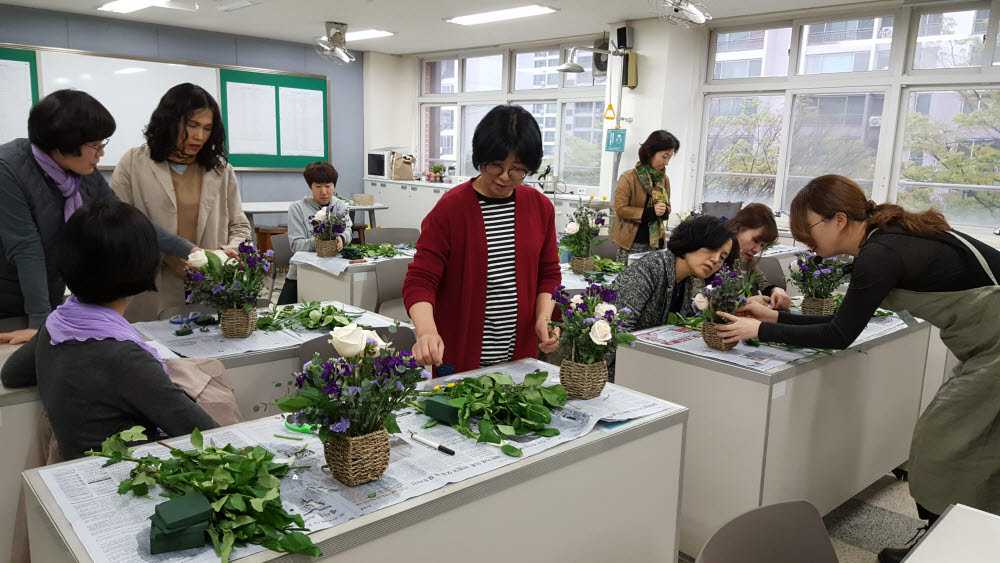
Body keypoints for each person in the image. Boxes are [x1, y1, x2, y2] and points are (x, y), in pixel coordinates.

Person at [714, 175, 1000, 563]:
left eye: (807, 229)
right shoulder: (887, 237)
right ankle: (955, 540)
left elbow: (838, 334)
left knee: (941, 446)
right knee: (980, 446)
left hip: (995, 351)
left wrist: (760, 328)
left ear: (839, 220)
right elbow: (842, 323)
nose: (803, 241)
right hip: (986, 347)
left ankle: (943, 547)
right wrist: (773, 317)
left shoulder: (879, 254)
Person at [1, 202, 218, 460]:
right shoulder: (123, 357)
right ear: (140, 265)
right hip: (129, 479)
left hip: (74, 466)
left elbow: (12, 373)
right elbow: (205, 435)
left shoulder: (57, 325)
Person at [0, 89, 195, 345]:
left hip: (47, 295)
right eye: (95, 145)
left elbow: (126, 218)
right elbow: (26, 248)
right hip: (8, 300)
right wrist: (40, 323)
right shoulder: (8, 169)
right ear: (64, 143)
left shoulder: (82, 173)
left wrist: (192, 251)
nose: (101, 154)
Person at [403, 104, 561, 373]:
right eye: (495, 165)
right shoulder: (451, 208)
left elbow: (549, 274)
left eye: (517, 169)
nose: (503, 177)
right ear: (480, 157)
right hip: (459, 356)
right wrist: (427, 332)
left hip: (518, 357)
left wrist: (543, 319)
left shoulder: (540, 207)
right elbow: (420, 280)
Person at [112, 83, 251, 321]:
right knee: (155, 352)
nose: (199, 136)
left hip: (210, 288)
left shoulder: (220, 170)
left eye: (207, 128)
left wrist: (223, 255)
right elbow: (117, 227)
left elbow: (240, 226)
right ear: (169, 121)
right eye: (192, 125)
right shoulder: (134, 163)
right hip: (151, 288)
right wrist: (166, 256)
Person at [607, 216, 737, 379]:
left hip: (646, 367)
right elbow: (614, 337)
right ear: (693, 241)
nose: (716, 259)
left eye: (723, 256)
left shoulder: (685, 279)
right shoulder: (648, 270)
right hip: (617, 374)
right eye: (712, 248)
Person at [280, 161, 352, 305]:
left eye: (328, 186)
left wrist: (341, 238)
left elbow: (348, 230)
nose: (324, 192)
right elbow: (296, 245)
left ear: (334, 185)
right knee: (282, 312)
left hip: (333, 272)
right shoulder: (297, 208)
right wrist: (322, 241)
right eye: (318, 186)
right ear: (309, 186)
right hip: (301, 273)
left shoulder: (340, 206)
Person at [610, 130, 679, 263]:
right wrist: (651, 212)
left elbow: (668, 208)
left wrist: (664, 210)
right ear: (650, 152)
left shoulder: (664, 179)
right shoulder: (628, 177)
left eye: (670, 157)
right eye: (664, 156)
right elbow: (621, 209)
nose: (667, 162)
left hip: (656, 244)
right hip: (633, 243)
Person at [726, 203, 792, 310]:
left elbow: (762, 284)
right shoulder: (711, 257)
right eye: (755, 240)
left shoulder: (747, 260)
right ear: (737, 228)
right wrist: (742, 303)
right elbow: (698, 300)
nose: (757, 250)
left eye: (762, 245)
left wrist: (775, 290)